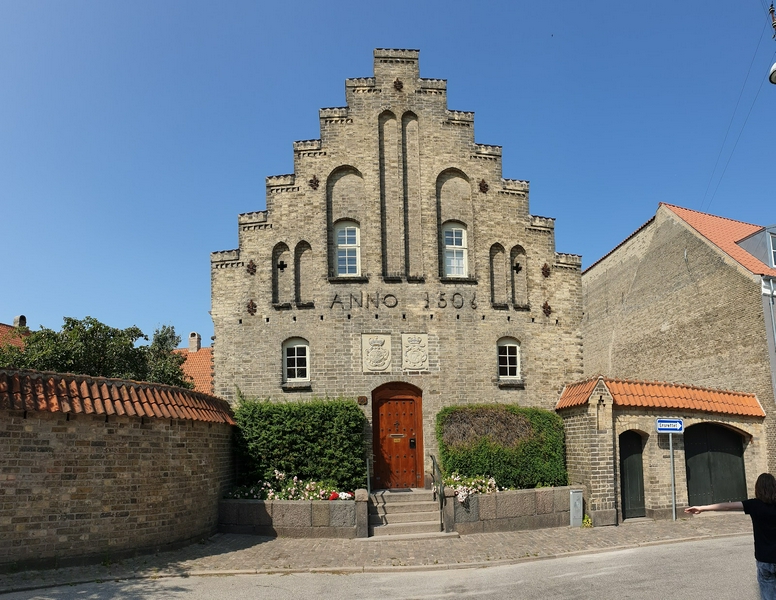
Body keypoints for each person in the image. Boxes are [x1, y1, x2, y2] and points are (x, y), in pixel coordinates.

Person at [685, 472, 776, 600]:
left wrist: (702, 508)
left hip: (764, 559)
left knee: (768, 595)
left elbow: (727, 506)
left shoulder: (754, 505)